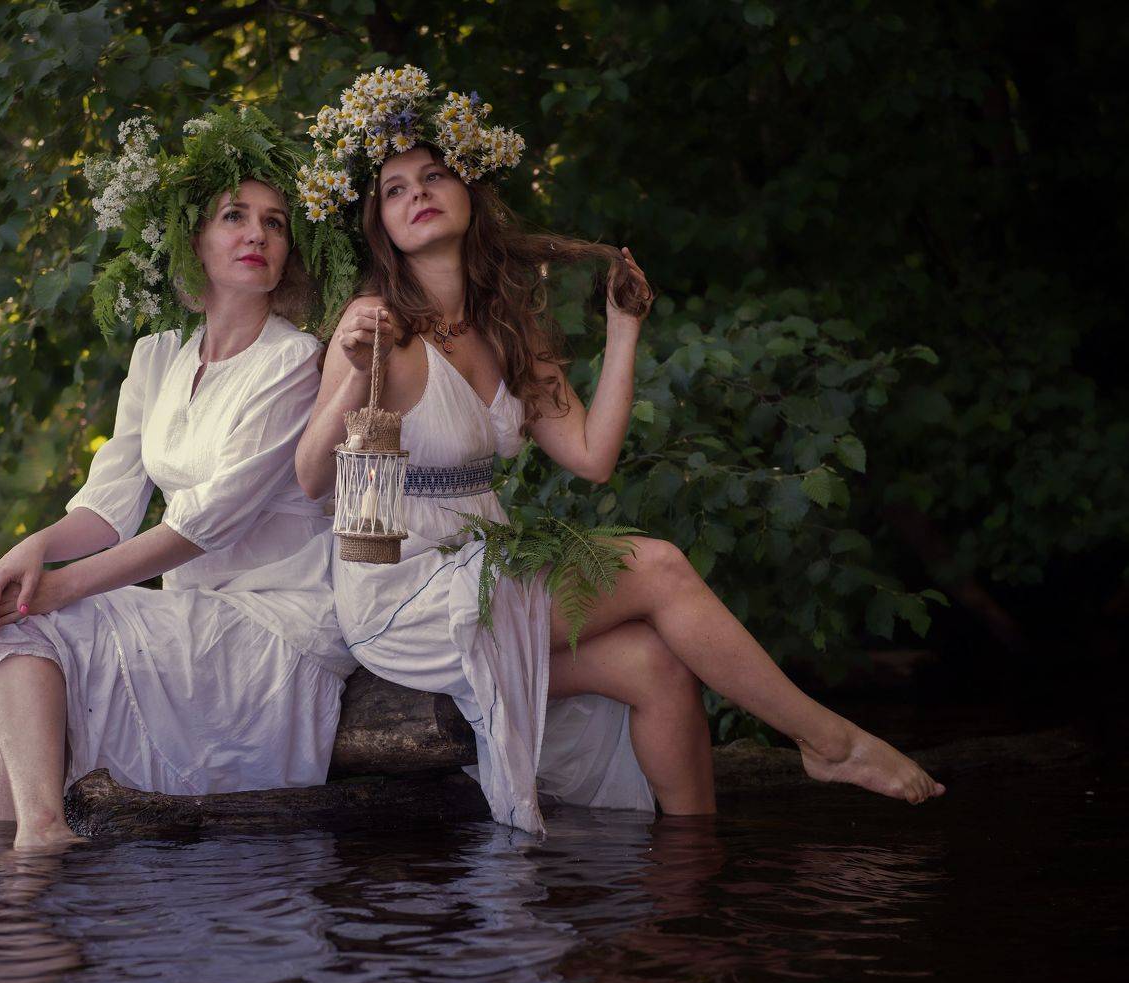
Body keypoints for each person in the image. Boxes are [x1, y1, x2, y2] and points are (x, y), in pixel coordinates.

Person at [293, 67, 943, 837]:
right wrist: (347, 370)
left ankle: (687, 874)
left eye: (434, 175)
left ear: (470, 190)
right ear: (381, 224)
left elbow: (591, 455)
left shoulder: (508, 327)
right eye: (395, 189)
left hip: (484, 566)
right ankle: (827, 740)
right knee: (659, 565)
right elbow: (311, 478)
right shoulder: (379, 325)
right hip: (401, 591)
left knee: (657, 666)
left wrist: (624, 329)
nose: (417, 194)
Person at [0, 106, 356, 849]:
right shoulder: (158, 354)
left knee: (34, 620)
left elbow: (206, 523)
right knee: (18, 621)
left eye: (274, 223)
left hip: (277, 621)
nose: (258, 235)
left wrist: (63, 588)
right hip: (190, 613)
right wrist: (28, 553)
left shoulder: (295, 360)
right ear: (193, 241)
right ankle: (17, 848)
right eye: (234, 216)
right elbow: (108, 507)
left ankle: (33, 844)